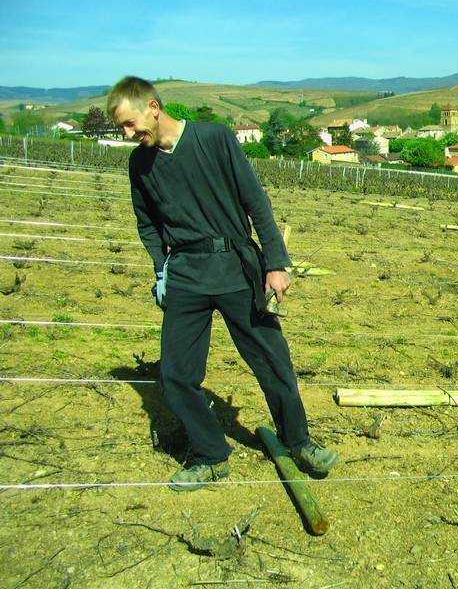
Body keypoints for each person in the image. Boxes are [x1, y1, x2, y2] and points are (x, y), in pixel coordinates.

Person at [106, 76, 338, 491]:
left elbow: (255, 200)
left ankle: (299, 442)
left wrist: (276, 261)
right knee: (177, 374)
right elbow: (147, 224)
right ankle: (212, 456)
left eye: (129, 123)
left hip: (236, 265)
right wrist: (162, 269)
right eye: (121, 128)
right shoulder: (139, 164)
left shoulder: (213, 139)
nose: (127, 134)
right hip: (186, 275)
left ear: (154, 107)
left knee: (271, 362)